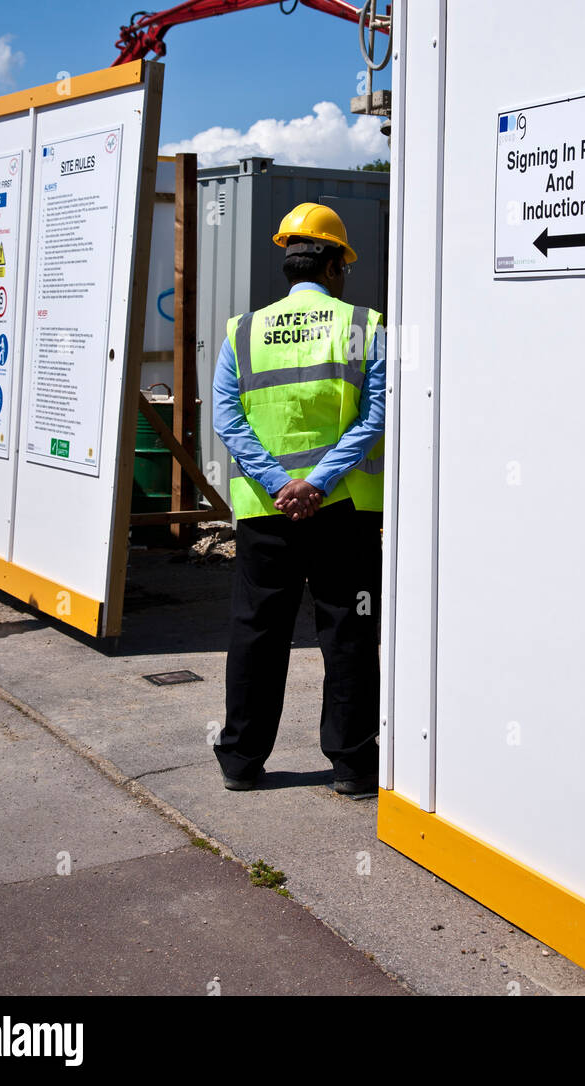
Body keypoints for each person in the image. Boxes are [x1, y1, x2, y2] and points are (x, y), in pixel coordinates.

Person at [211, 202, 385, 796]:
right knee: (349, 632)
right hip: (346, 513)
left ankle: (240, 760)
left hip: (267, 511)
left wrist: (280, 483)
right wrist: (319, 483)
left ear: (290, 263)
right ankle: (354, 767)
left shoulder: (243, 331)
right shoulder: (365, 326)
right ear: (336, 265)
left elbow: (228, 417)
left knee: (258, 631)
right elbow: (377, 417)